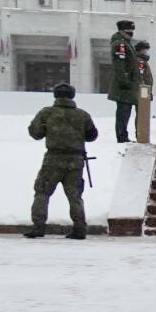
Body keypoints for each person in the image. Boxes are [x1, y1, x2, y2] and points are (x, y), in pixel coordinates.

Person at [24, 83, 98, 240]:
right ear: (72, 96)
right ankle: (79, 229)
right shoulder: (82, 115)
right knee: (75, 196)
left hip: (53, 159)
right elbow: (92, 135)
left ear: (55, 96)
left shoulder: (47, 113)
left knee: (42, 192)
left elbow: (35, 133)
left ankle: (38, 227)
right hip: (76, 160)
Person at [107, 19, 136, 142]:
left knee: (125, 112)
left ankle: (123, 135)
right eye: (128, 30)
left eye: (131, 30)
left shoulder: (126, 42)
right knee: (123, 112)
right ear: (122, 31)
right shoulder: (120, 44)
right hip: (123, 85)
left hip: (127, 84)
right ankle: (122, 137)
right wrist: (124, 81)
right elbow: (119, 64)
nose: (131, 32)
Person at [131, 41, 154, 144]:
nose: (147, 52)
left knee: (141, 114)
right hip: (142, 92)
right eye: (145, 50)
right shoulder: (140, 61)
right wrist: (145, 91)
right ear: (141, 50)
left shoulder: (143, 61)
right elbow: (141, 77)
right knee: (141, 114)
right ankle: (140, 135)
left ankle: (141, 135)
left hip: (144, 91)